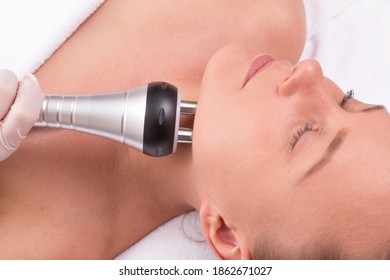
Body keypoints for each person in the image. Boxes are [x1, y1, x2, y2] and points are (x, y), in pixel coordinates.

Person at [1, 0, 389, 259]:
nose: (309, 73)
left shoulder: (32, 250)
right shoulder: (260, 9)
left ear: (226, 235)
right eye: (347, 100)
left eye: (303, 134)